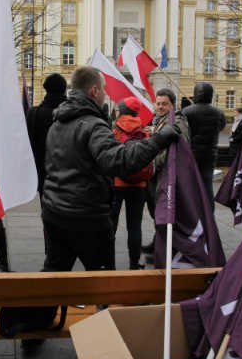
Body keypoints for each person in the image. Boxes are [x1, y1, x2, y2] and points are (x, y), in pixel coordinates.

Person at [40, 66, 180, 273]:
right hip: (86, 215)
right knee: (102, 279)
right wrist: (159, 140)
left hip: (54, 210)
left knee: (54, 273)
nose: (105, 94)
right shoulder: (93, 125)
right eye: (104, 89)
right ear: (94, 91)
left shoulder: (57, 121)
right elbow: (120, 161)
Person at [142, 88, 190, 261]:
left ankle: (163, 253)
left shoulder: (177, 121)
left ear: (172, 105)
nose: (160, 107)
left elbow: (177, 150)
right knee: (157, 212)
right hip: (157, 174)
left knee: (165, 214)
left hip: (167, 176)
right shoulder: (160, 120)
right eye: (158, 103)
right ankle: (158, 243)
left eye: (164, 104)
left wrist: (153, 159)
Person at [109, 97, 154, 270]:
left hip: (117, 183)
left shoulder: (114, 131)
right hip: (139, 185)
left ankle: (109, 264)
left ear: (121, 111)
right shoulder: (144, 132)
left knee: (111, 226)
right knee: (135, 226)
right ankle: (134, 264)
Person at [182, 82, 226, 200]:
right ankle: (208, 209)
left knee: (190, 184)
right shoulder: (218, 112)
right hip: (210, 153)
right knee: (207, 184)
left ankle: (193, 209)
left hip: (191, 153)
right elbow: (221, 127)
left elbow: (182, 130)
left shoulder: (187, 111)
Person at [26, 73, 68, 195]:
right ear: (64, 90)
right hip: (67, 175)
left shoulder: (34, 113)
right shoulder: (71, 113)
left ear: (46, 89)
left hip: (42, 173)